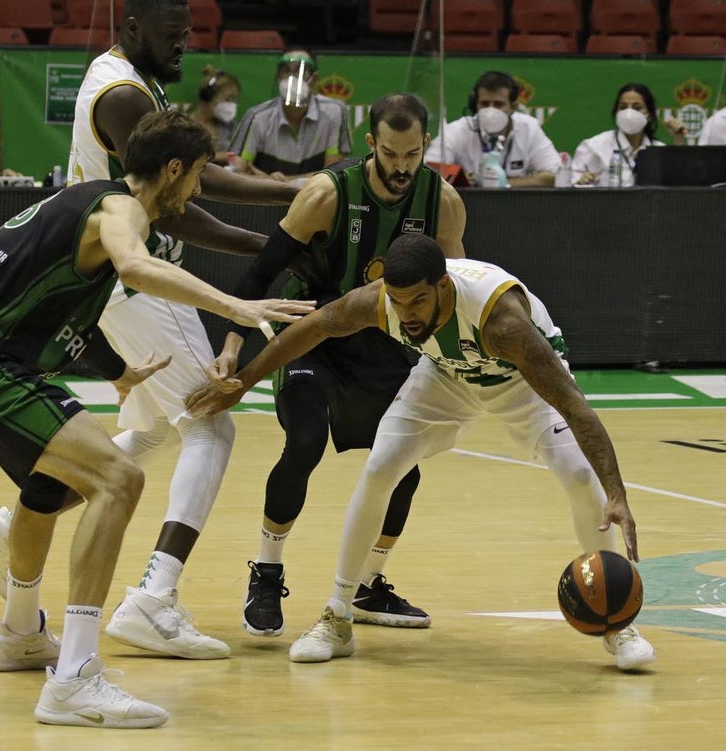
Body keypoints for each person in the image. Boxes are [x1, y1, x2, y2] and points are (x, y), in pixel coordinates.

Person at [0, 110, 313, 728]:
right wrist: (233, 302)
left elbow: (63, 300)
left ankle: (18, 631)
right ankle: (74, 678)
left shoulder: (82, 203)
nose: (200, 189)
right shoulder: (120, 209)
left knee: (51, 487)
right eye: (200, 174)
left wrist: (117, 372)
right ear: (173, 169)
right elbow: (131, 267)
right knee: (119, 479)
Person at [0, 0, 299, 662]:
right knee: (212, 423)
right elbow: (179, 206)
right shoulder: (119, 96)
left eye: (189, 35)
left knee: (153, 428)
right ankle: (153, 597)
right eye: (173, 35)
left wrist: (279, 222)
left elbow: (185, 193)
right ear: (133, 27)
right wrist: (293, 208)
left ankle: (6, 528)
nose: (184, 47)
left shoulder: (128, 79)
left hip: (115, 283)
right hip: (134, 281)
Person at [187, 234, 656, 672]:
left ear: (444, 286)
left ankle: (617, 621)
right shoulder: (382, 301)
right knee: (381, 466)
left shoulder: (503, 322)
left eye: (419, 301)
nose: (406, 314)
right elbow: (314, 329)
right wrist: (243, 382)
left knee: (578, 474)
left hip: (519, 385)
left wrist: (616, 492)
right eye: (397, 301)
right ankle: (338, 615)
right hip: (447, 378)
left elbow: (575, 406)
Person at [206, 93, 466, 637]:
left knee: (404, 466)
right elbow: (260, 275)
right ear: (370, 144)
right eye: (392, 153)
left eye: (413, 154)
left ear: (425, 147)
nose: (402, 166)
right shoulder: (326, 194)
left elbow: (457, 288)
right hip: (315, 335)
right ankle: (267, 570)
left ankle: (369, 586)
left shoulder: (441, 201)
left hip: (389, 345)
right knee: (304, 441)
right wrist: (232, 345)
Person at [227, 48, 352, 183]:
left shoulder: (335, 112)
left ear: (315, 79)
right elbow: (235, 173)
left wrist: (277, 181)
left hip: (313, 197)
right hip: (265, 199)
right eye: (286, 71)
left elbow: (332, 175)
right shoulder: (257, 117)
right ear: (278, 77)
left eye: (301, 72)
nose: (292, 79)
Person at [424, 70, 561, 188]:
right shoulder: (457, 130)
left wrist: (502, 184)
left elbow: (554, 175)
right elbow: (429, 170)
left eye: (498, 104)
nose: (490, 110)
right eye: (484, 104)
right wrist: (456, 179)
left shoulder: (529, 128)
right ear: (475, 106)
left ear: (513, 107)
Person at [570, 83, 687, 187]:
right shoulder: (595, 146)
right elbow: (572, 182)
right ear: (616, 112)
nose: (629, 113)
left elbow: (679, 186)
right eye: (623, 107)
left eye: (637, 108)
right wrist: (580, 182)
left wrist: (679, 140)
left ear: (649, 114)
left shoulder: (659, 151)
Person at [186, 65, 241, 166]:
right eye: (228, 99)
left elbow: (239, 156)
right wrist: (223, 156)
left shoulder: (229, 126)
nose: (232, 105)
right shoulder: (186, 126)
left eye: (234, 100)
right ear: (208, 97)